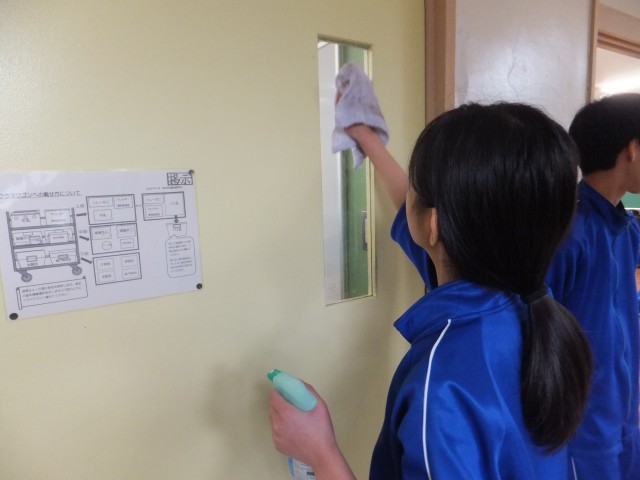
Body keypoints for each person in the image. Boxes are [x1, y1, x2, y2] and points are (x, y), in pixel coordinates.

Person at [269, 102, 593, 479]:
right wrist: (365, 137)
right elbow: (411, 210)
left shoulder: (441, 387)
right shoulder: (536, 311)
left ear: (434, 225)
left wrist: (319, 452)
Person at [545, 92, 640, 480]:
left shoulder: (625, 229)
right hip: (581, 434)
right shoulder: (568, 233)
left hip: (623, 418)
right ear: (632, 149)